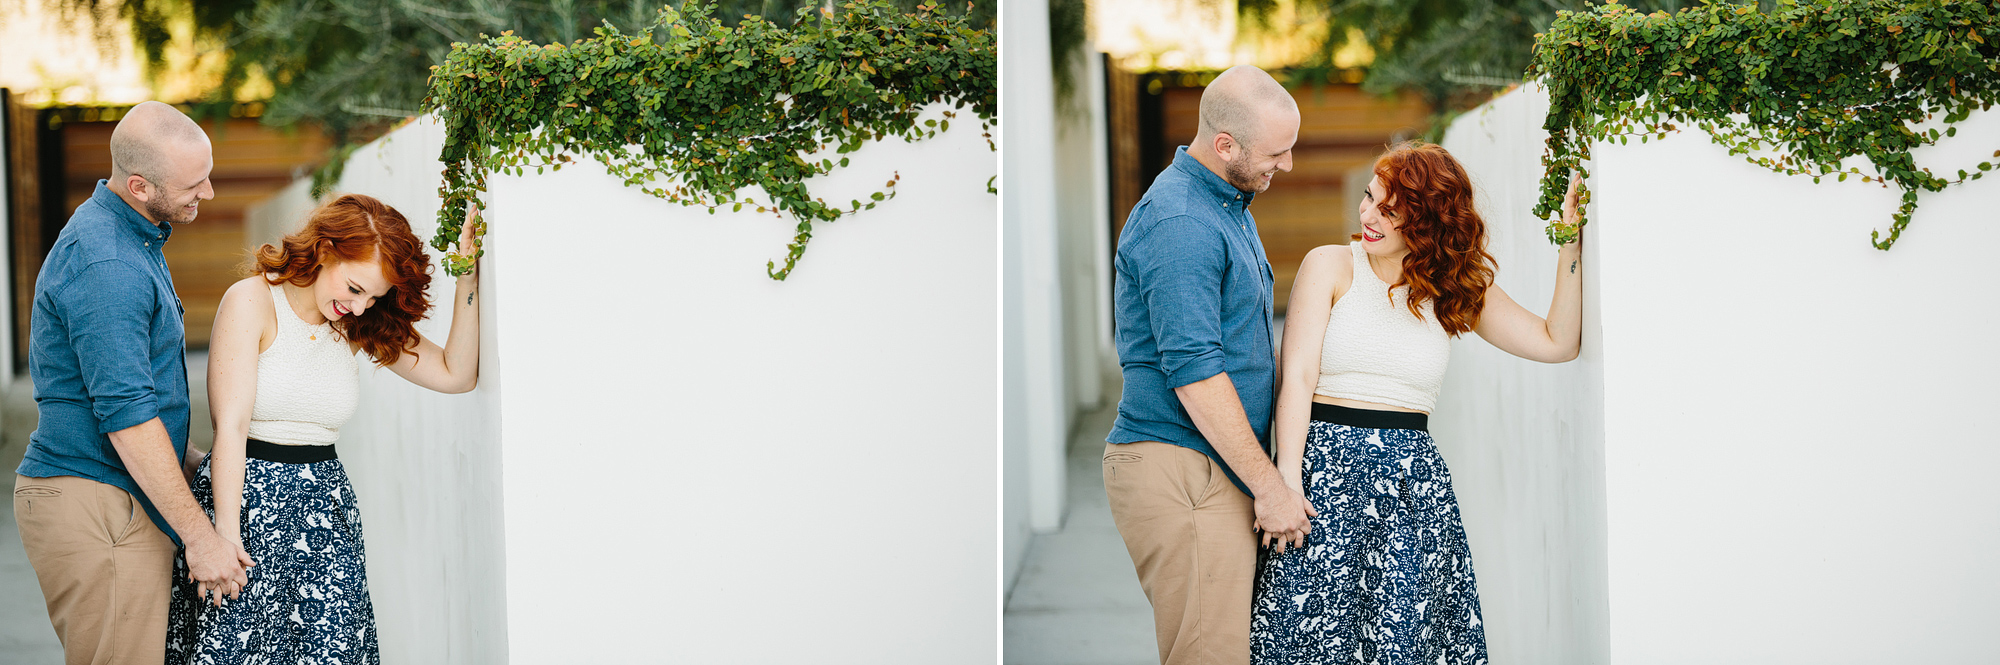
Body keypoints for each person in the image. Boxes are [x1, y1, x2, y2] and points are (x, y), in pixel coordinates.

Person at [1249, 142, 1585, 664]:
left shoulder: (1453, 287)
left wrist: (1569, 246)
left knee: (1405, 645)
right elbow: (1297, 378)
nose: (1368, 215)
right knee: (1305, 642)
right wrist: (1287, 480)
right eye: (1368, 199)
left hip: (1414, 493)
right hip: (1323, 482)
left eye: (1389, 209)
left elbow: (1556, 342)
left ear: (1426, 218)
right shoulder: (1332, 266)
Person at [164, 193, 480, 663]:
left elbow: (456, 374)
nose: (359, 306)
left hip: (327, 513)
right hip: (248, 507)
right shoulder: (252, 301)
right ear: (326, 249)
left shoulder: (357, 324)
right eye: (355, 288)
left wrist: (467, 275)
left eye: (373, 297)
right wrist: (224, 537)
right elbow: (229, 427)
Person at [12, 100, 254, 665]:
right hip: (98, 500)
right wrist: (200, 535)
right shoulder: (110, 263)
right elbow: (125, 413)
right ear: (140, 185)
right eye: (195, 183)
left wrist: (193, 458)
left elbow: (134, 389)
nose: (210, 192)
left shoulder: (131, 236)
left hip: (112, 492)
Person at [1104, 64, 1316, 665]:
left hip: (1207, 463)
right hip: (1181, 466)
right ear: (1225, 145)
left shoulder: (1223, 202)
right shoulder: (1183, 222)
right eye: (1278, 152)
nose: (1289, 165)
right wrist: (1270, 486)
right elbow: (1195, 374)